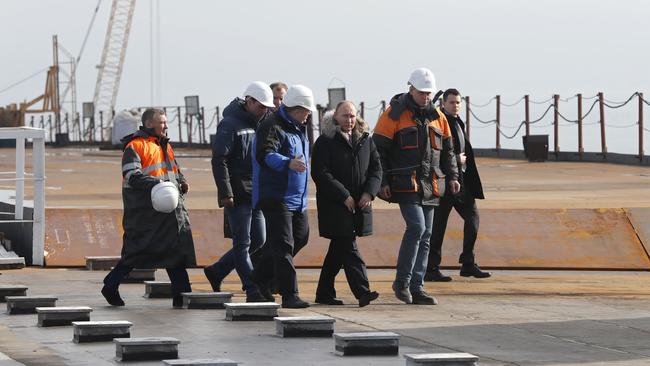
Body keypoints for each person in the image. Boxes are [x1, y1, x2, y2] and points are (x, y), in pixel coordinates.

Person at [372, 68, 460, 305]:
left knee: (427, 235)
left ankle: (417, 287)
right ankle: (402, 282)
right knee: (417, 228)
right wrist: (383, 182)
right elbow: (377, 150)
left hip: (431, 183)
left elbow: (448, 151)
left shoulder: (439, 117)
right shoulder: (393, 115)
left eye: (428, 93)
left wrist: (452, 176)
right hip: (405, 183)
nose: (426, 97)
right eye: (421, 93)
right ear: (411, 89)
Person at [101, 108, 196, 308]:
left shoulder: (164, 146)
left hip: (170, 212)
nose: (166, 125)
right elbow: (131, 175)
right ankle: (110, 285)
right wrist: (158, 186)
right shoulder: (135, 147)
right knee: (135, 253)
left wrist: (182, 182)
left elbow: (174, 171)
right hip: (146, 214)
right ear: (150, 124)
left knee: (176, 254)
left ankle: (183, 296)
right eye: (162, 122)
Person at [203, 82, 275, 302]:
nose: (264, 110)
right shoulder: (229, 124)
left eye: (267, 107)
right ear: (249, 101)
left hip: (258, 193)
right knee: (242, 243)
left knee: (258, 241)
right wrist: (226, 192)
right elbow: (219, 160)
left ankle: (217, 271)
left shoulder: (263, 124)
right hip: (238, 194)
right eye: (261, 106)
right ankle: (252, 290)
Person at [311, 102, 381, 307]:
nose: (349, 120)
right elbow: (321, 173)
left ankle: (324, 292)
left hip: (360, 203)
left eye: (352, 116)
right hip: (335, 205)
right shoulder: (325, 141)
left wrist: (369, 192)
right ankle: (363, 291)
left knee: (337, 251)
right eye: (344, 116)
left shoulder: (366, 139)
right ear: (335, 118)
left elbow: (376, 168)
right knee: (348, 245)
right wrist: (343, 195)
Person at [251, 85, 314, 308]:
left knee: (300, 237)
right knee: (284, 244)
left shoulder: (301, 127)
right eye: (305, 110)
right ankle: (290, 294)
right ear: (295, 108)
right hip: (276, 196)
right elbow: (265, 154)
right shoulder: (272, 125)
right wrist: (287, 163)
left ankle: (259, 277)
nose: (308, 115)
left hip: (298, 198)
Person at [425, 89, 490, 281]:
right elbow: (432, 152)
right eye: (452, 102)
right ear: (443, 104)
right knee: (438, 227)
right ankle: (431, 268)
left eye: (458, 103)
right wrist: (455, 159)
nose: (456, 106)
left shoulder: (457, 122)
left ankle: (468, 263)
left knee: (473, 219)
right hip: (443, 182)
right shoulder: (438, 123)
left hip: (461, 183)